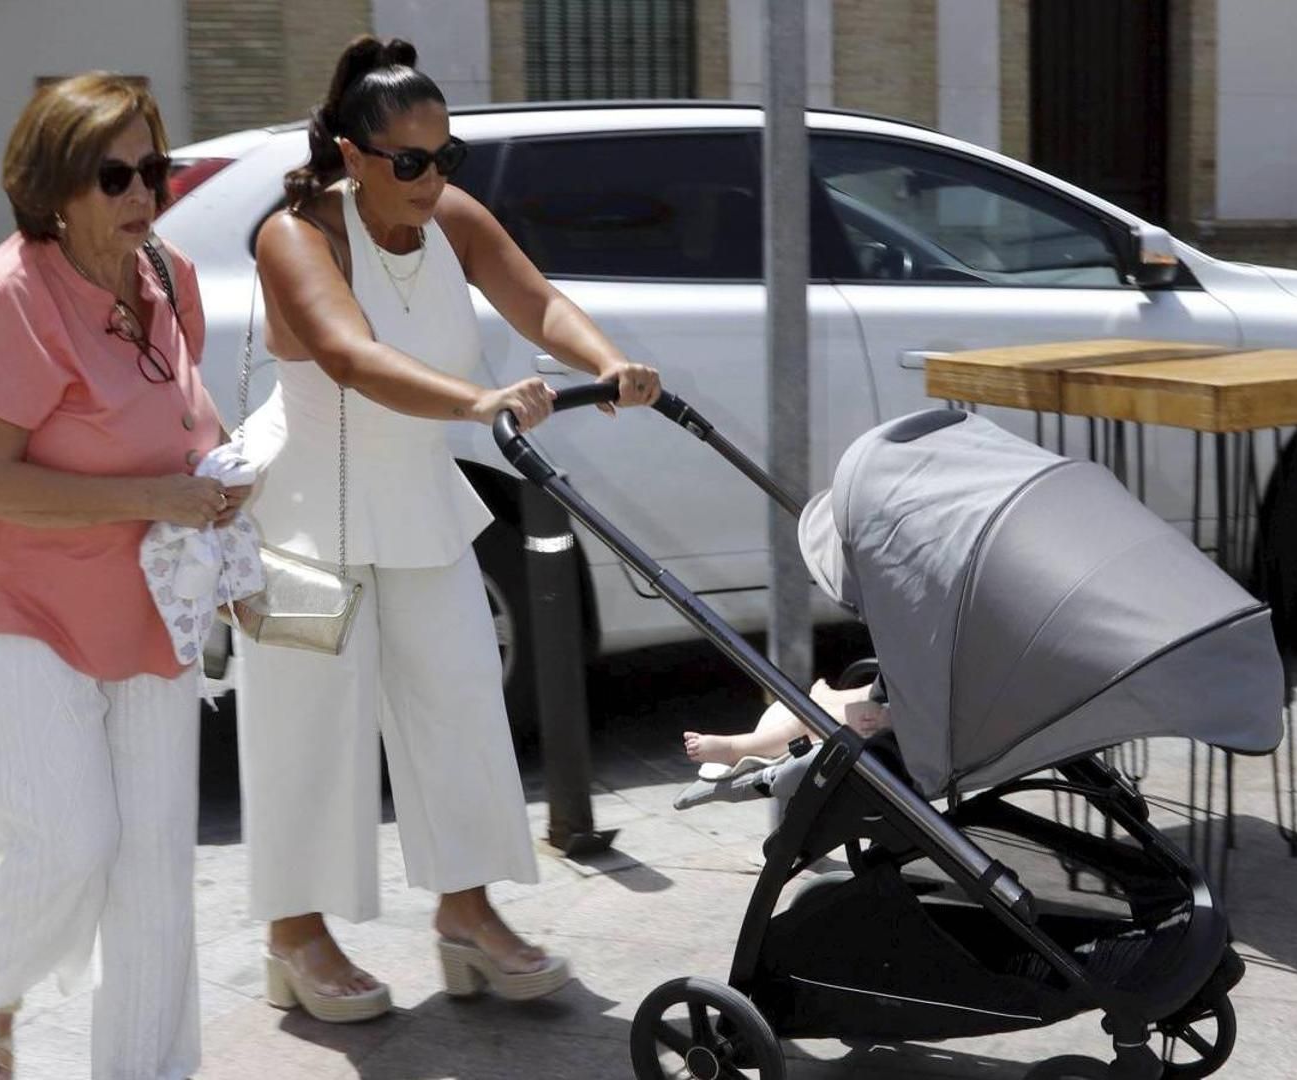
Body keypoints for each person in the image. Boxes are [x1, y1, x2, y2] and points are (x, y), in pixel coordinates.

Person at [236, 35, 661, 1022]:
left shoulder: (452, 218)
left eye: (446, 157)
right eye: (410, 161)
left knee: (463, 707)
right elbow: (346, 354)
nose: (433, 179)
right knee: (311, 732)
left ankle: (465, 918)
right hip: (307, 511)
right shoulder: (295, 236)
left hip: (417, 500)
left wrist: (610, 363)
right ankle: (296, 937)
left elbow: (537, 300)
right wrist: (478, 404)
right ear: (354, 156)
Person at [0, 73, 240, 1079]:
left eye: (153, 168)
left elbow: (183, 421)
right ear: (55, 188)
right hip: (22, 600)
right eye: (114, 175)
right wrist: (158, 496)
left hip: (152, 598)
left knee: (154, 868)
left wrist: (228, 474)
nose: (141, 193)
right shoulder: (10, 291)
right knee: (67, 845)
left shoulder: (168, 278)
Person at [684, 680, 890, 771]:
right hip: (901, 709)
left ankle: (735, 748)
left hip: (899, 723)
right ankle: (826, 698)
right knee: (875, 692)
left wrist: (885, 719)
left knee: (810, 723)